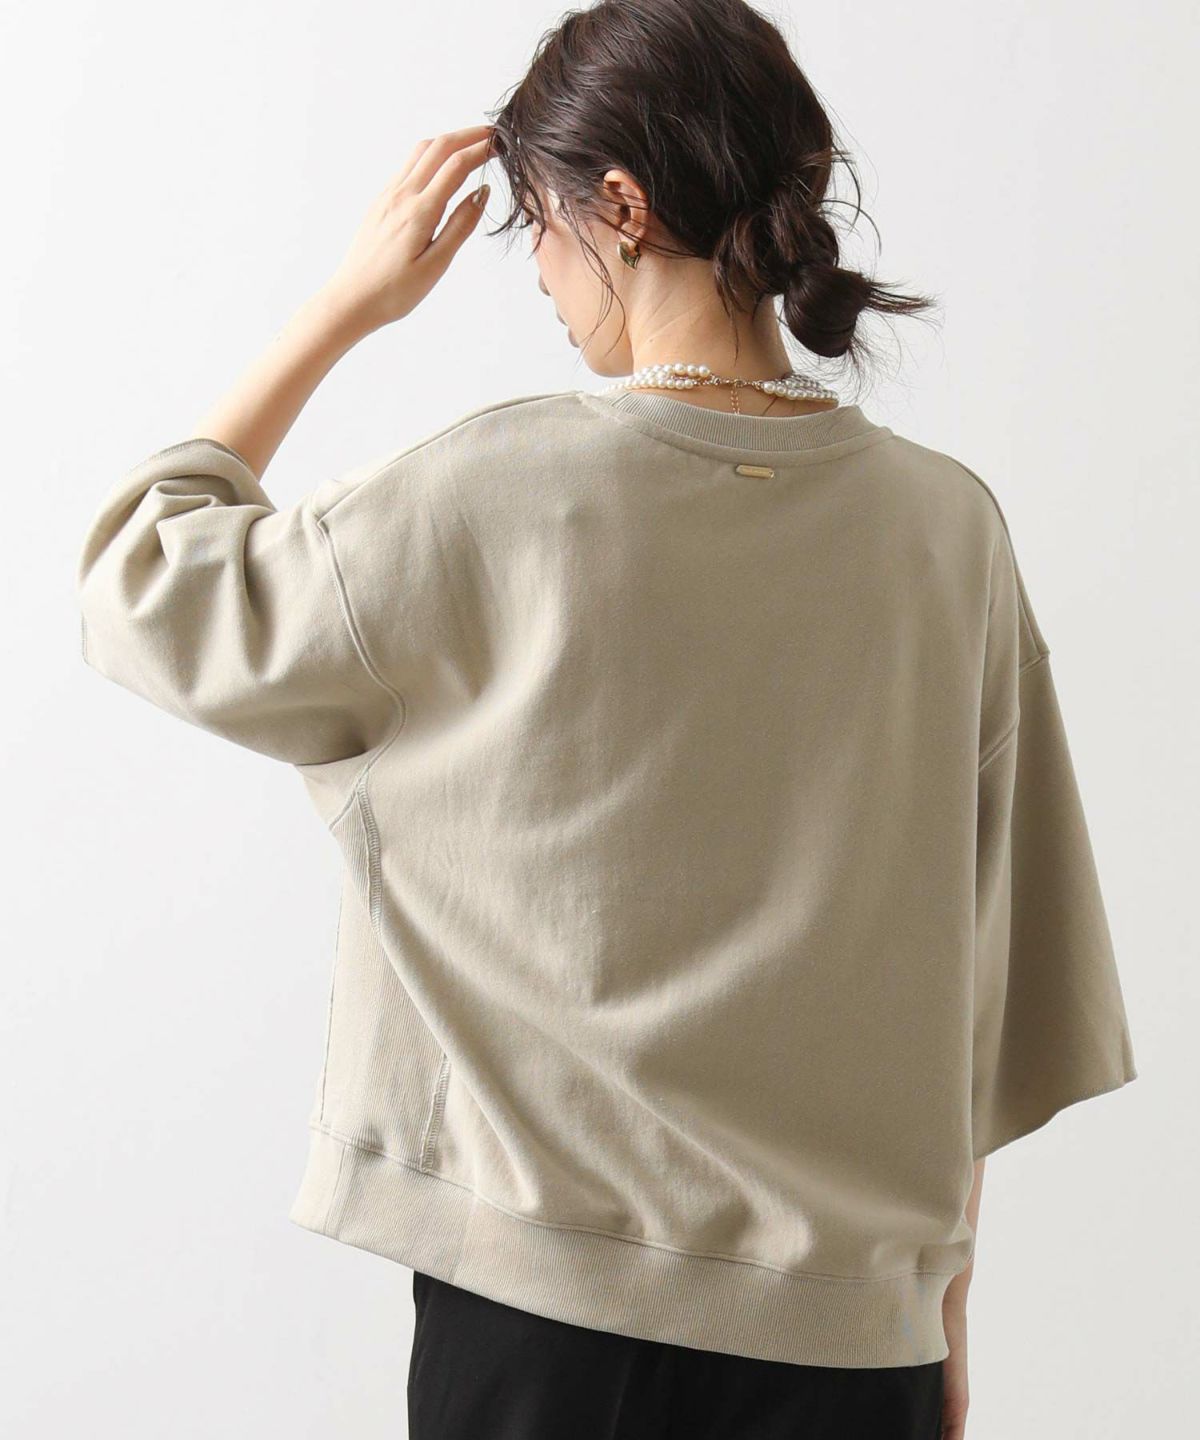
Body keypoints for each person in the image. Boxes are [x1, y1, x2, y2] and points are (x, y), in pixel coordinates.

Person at [75, 2, 1137, 1437]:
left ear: (622, 208)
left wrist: (344, 306)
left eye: (538, 225)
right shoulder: (948, 532)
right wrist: (939, 1306)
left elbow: (145, 579)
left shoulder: (492, 490)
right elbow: (981, 963)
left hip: (548, 1334)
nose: (539, 272)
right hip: (850, 1345)